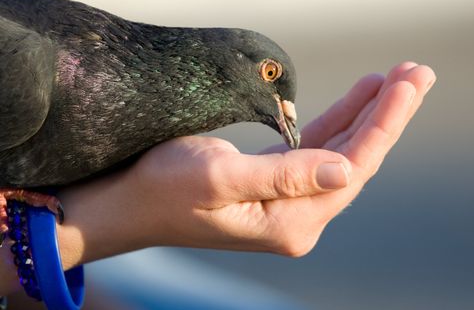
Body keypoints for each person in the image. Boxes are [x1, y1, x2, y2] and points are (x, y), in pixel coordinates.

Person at [0, 62, 435, 296]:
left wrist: (126, 208)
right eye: (269, 75)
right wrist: (130, 217)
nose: (287, 110)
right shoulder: (27, 67)